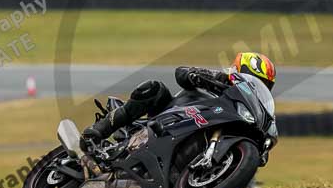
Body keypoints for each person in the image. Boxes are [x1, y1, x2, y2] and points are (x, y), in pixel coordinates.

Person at [81, 52, 276, 145]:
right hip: (171, 117)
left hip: (201, 130)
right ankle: (101, 128)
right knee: (154, 88)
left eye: (263, 85)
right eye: (255, 80)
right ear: (239, 70)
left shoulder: (244, 110)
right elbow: (181, 73)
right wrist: (194, 75)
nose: (255, 86)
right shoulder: (219, 78)